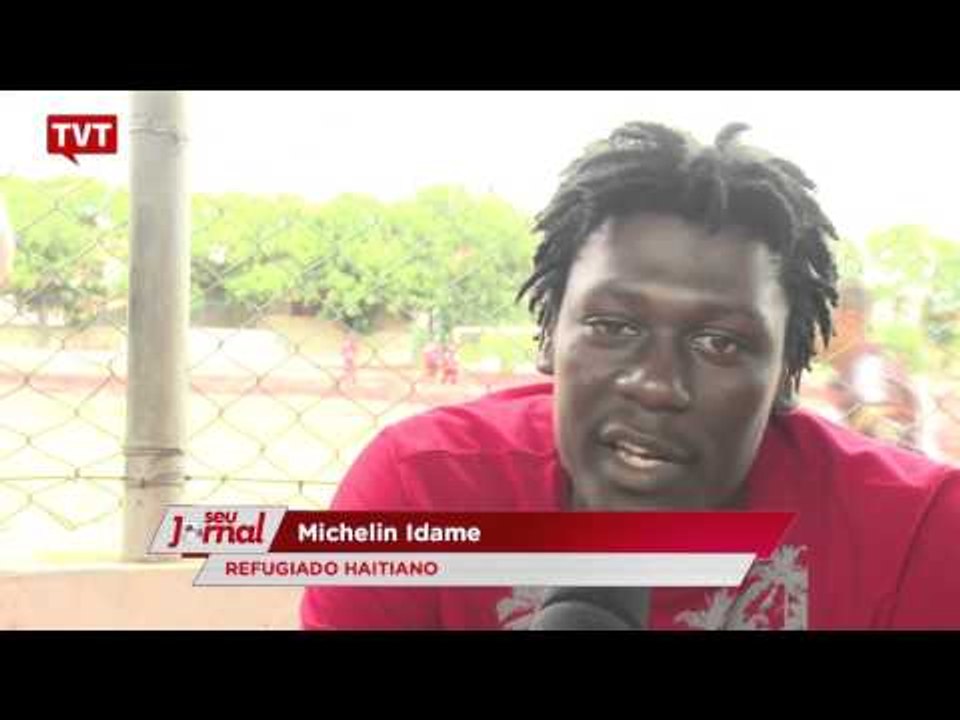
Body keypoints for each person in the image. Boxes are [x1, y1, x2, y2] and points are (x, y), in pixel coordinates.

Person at [301, 121, 960, 630]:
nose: (656, 384)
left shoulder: (918, 534)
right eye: (613, 328)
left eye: (720, 342)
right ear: (549, 332)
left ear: (786, 373)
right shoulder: (419, 493)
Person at [819, 280, 922, 448]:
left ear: (849, 320)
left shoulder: (871, 370)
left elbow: (889, 439)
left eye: (813, 319)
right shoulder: (844, 376)